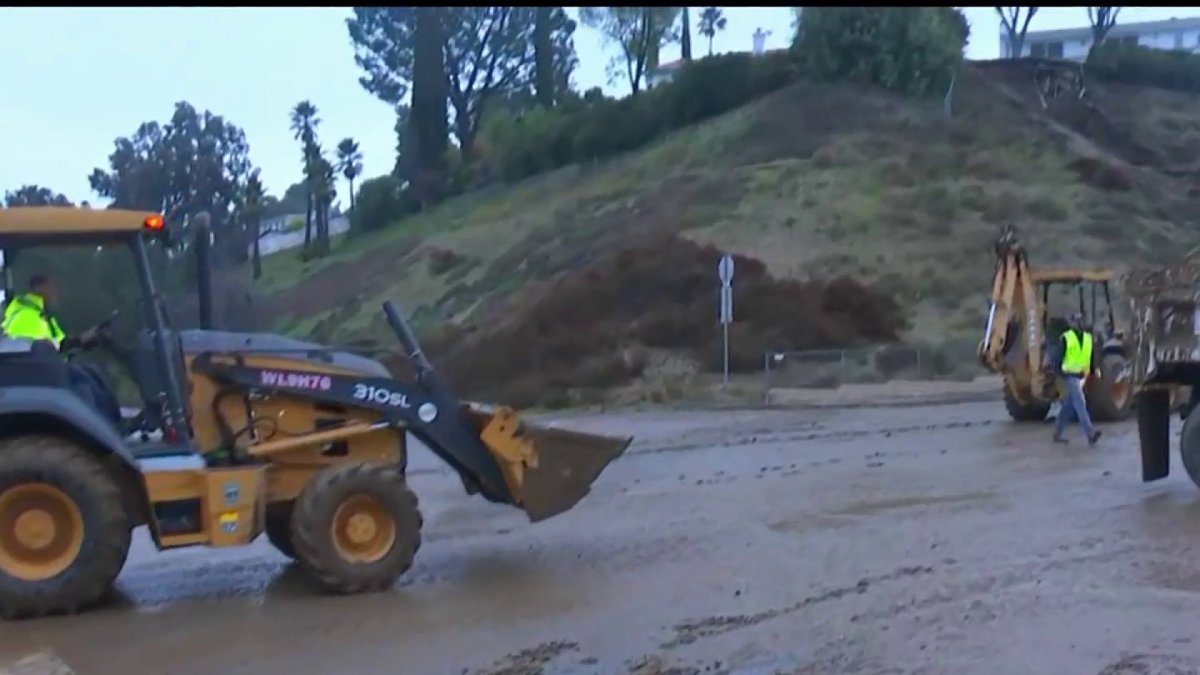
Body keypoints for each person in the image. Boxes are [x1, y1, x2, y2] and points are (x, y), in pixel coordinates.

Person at [2, 274, 123, 427]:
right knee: (86, 384)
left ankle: (110, 427)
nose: (55, 293)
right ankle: (101, 430)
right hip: (38, 379)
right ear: (40, 288)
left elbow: (59, 343)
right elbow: (38, 351)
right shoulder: (25, 316)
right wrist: (76, 342)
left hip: (46, 373)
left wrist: (84, 339)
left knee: (92, 376)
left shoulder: (42, 316)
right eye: (52, 287)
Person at [1053, 312, 1102, 447]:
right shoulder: (1066, 338)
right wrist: (1059, 372)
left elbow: (1089, 357)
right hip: (1069, 375)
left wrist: (1094, 370)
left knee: (1068, 406)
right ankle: (1090, 434)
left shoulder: (1088, 338)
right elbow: (1058, 357)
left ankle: (1057, 433)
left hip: (1081, 376)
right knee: (1080, 404)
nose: (1078, 324)